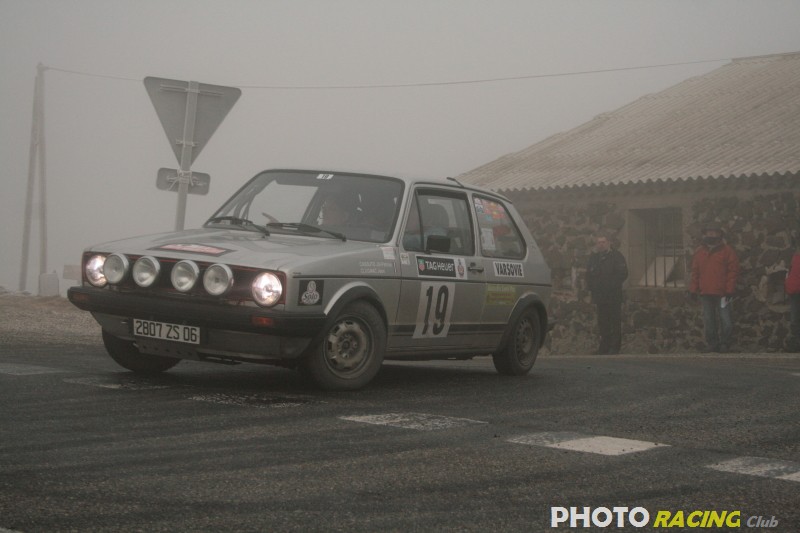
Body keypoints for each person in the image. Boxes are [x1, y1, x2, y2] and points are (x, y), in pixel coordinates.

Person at [689, 222, 740, 353]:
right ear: (705, 234)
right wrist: (693, 290)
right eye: (709, 232)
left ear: (719, 234)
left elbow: (733, 272)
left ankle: (724, 343)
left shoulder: (728, 251)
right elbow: (695, 272)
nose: (711, 234)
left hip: (723, 294)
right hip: (705, 293)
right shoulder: (699, 252)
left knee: (726, 320)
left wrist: (729, 290)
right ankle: (712, 344)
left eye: (714, 232)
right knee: (709, 321)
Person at [586, 232, 629, 355]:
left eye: (603, 242)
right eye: (599, 242)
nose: (601, 245)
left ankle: (614, 348)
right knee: (603, 322)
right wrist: (592, 288)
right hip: (600, 296)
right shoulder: (594, 258)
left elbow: (623, 274)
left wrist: (609, 286)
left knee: (614, 321)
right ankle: (603, 347)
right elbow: (589, 275)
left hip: (613, 296)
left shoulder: (617, 256)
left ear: (609, 243)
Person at [785, 232, 800, 352]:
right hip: (794, 291)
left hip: (794, 290)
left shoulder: (795, 256)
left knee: (795, 319)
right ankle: (796, 343)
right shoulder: (794, 256)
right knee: (795, 319)